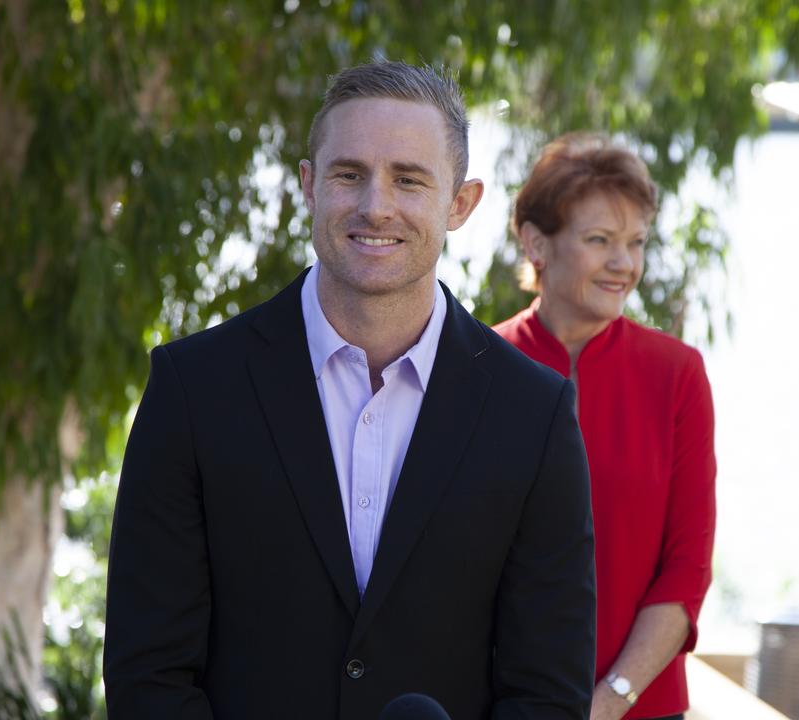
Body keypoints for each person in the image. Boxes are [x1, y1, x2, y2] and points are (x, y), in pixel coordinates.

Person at [103, 61, 597, 719]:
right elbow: (149, 676)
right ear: (309, 184)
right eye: (348, 174)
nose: (375, 206)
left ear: (460, 204)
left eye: (409, 179)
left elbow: (547, 693)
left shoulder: (534, 416)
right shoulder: (192, 390)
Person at [493, 134, 716, 720]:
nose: (625, 264)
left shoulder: (678, 374)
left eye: (636, 243)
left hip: (642, 706)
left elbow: (686, 570)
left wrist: (608, 702)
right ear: (536, 242)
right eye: (600, 241)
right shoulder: (476, 368)